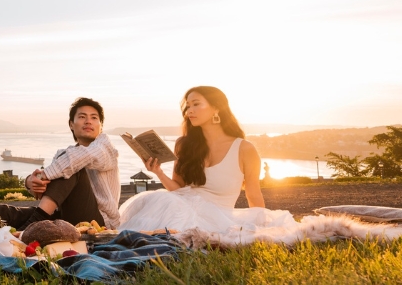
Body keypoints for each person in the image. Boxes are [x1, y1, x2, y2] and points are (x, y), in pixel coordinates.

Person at [118, 86, 295, 234]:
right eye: (187, 106)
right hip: (180, 206)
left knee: (174, 219)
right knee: (161, 201)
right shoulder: (184, 144)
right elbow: (178, 189)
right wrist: (158, 172)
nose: (189, 111)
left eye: (196, 104)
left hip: (218, 218)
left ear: (216, 108)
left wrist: (262, 228)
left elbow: (254, 194)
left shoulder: (244, 149)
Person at [0, 97, 121, 230]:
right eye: (82, 117)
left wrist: (42, 176)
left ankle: (28, 229)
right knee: (3, 213)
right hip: (65, 215)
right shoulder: (65, 154)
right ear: (71, 124)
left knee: (70, 166)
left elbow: (75, 160)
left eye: (94, 118)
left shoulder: (105, 147)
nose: (88, 121)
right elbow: (50, 193)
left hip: (101, 222)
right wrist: (30, 182)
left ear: (100, 126)